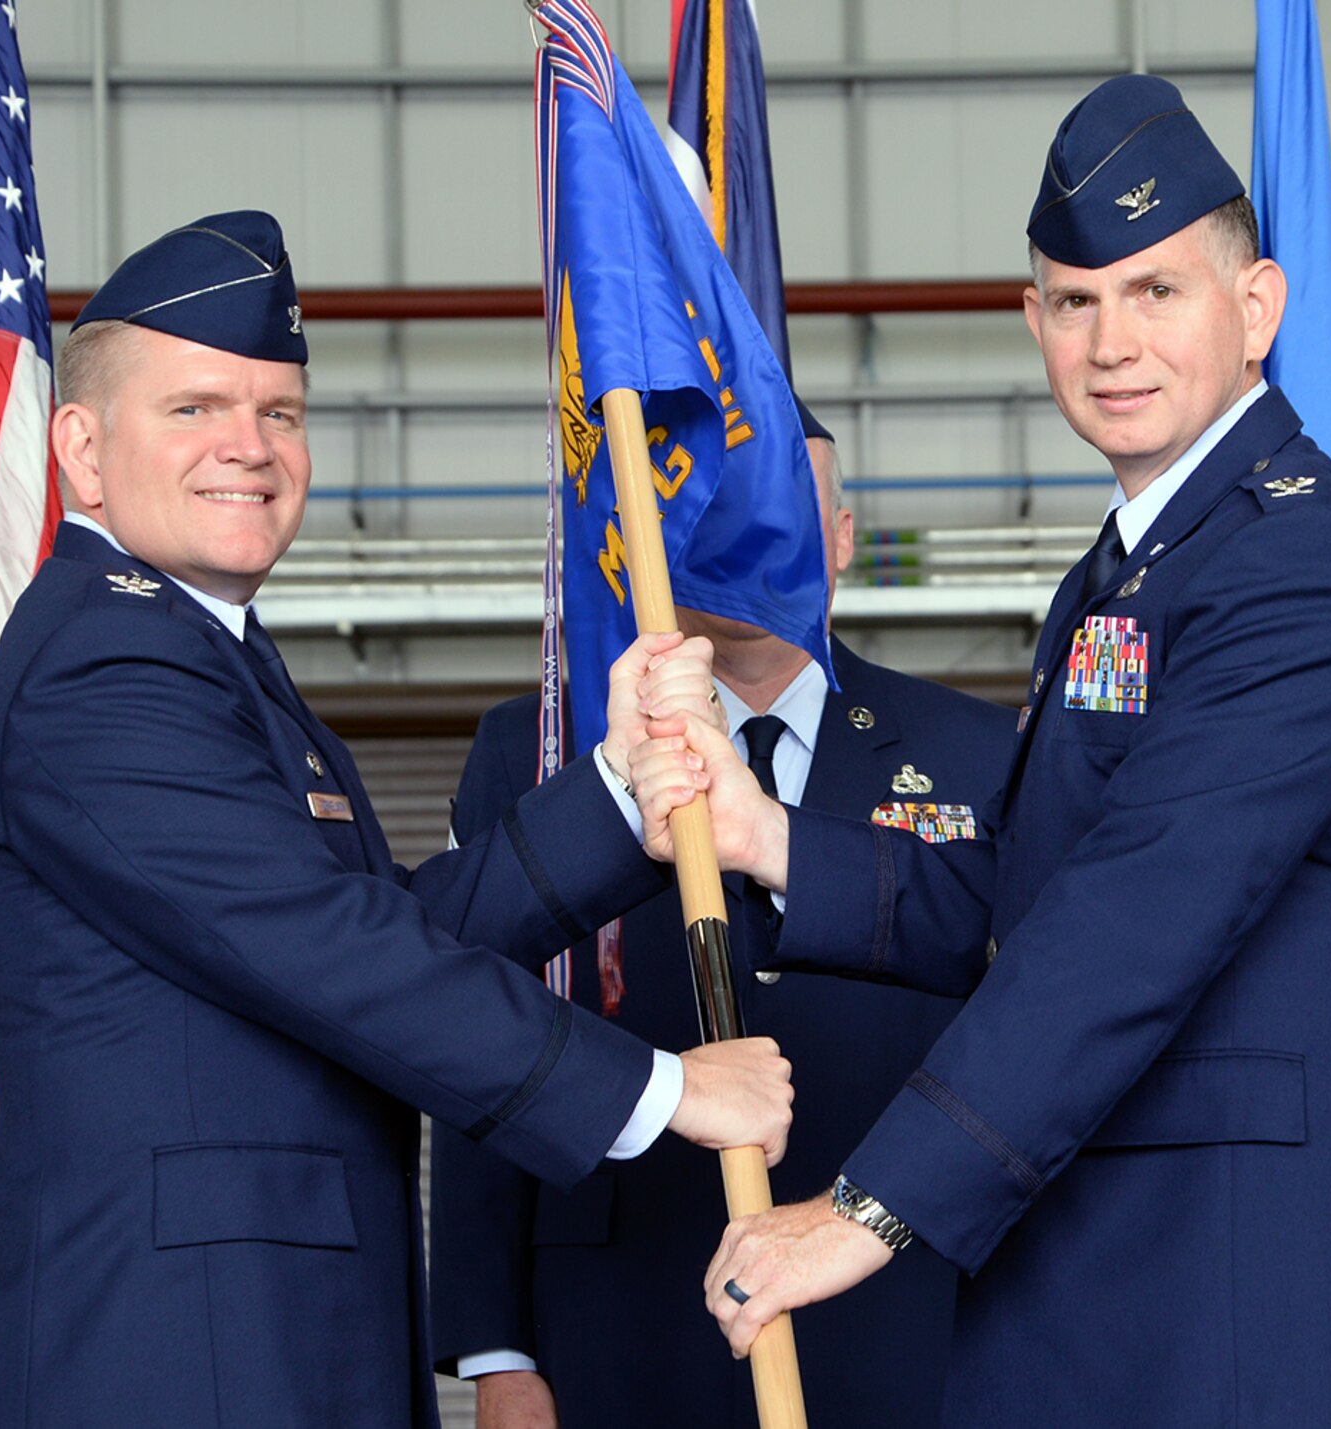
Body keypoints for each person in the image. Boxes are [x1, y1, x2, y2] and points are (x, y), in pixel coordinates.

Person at [635, 76, 1331, 1427]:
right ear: (1034, 323)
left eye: (1157, 292)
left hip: (1227, 1301)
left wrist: (862, 1211)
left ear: (1257, 309)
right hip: (1098, 1273)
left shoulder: (1304, 569)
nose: (1111, 341)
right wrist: (765, 838)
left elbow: (1134, 919)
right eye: (1076, 302)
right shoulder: (1140, 564)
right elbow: (1041, 889)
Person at [0, 211, 794, 1429]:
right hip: (169, 1359)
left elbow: (371, 924)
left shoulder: (203, 654)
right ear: (79, 448)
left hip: (262, 1340)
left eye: (277, 413)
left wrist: (618, 792)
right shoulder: (102, 667)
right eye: (194, 408)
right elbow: (338, 957)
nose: (249, 446)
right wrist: (661, 1090)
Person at [429, 404, 1018, 1429]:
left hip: (903, 1313)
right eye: (713, 505)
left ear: (840, 535)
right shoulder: (543, 747)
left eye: (784, 506)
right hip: (613, 1322)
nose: (748, 534)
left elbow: (1027, 1044)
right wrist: (498, 1353)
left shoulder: (979, 751)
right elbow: (468, 1029)